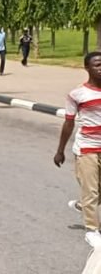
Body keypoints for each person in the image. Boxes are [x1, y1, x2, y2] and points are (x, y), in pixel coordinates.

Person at [54, 52, 101, 248]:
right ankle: (92, 230)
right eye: (97, 65)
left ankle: (83, 205)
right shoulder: (77, 94)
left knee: (95, 192)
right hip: (87, 148)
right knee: (91, 190)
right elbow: (68, 123)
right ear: (87, 68)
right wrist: (60, 150)